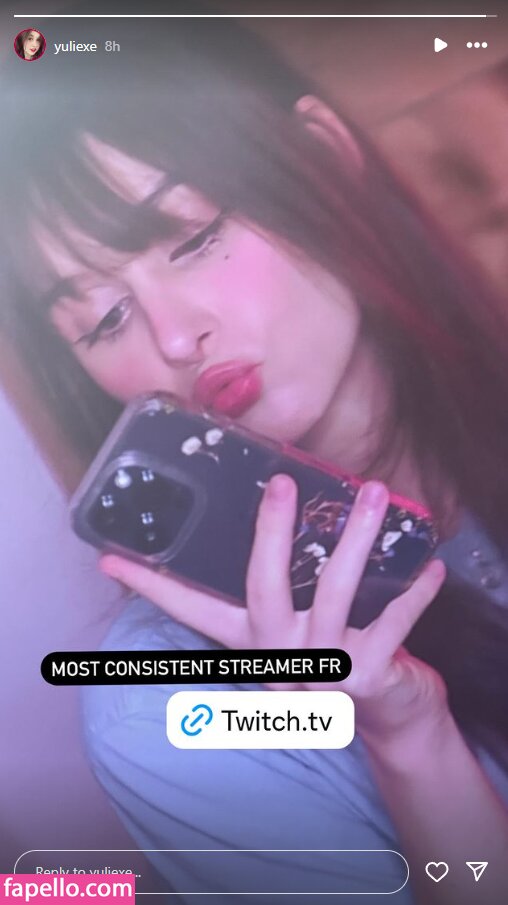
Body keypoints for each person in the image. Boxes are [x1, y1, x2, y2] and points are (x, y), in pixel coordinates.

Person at [1, 6, 507, 903]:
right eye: (103, 319)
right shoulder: (163, 708)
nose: (174, 337)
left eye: (195, 238)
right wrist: (409, 744)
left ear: (321, 156)